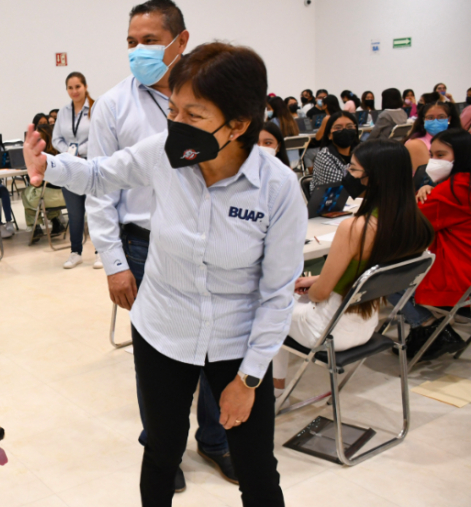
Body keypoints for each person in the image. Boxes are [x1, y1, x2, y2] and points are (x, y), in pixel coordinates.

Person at [26, 41, 303, 507]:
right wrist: (48, 165)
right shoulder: (163, 152)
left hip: (238, 343)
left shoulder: (276, 188)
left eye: (193, 116)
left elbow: (278, 295)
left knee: (257, 468)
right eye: (172, 110)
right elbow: (100, 174)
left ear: (237, 125)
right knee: (161, 452)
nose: (175, 125)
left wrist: (250, 379)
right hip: (163, 330)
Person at [86, 0, 234, 492]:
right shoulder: (112, 105)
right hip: (144, 247)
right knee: (159, 360)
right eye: (131, 42)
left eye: (149, 41)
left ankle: (216, 440)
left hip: (209, 242)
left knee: (214, 345)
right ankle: (163, 449)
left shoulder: (212, 98)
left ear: (180, 41)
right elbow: (99, 190)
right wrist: (113, 263)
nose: (138, 51)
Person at [273, 139, 434, 394]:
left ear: (374, 176)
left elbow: (320, 295)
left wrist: (311, 288)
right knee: (289, 295)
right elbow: (367, 276)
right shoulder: (415, 223)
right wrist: (315, 280)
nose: (350, 174)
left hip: (327, 330)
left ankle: (275, 389)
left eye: (354, 169)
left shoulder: (356, 228)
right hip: (366, 324)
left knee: (266, 306)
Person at [399, 129, 471, 360]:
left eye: (441, 155)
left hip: (459, 279)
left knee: (383, 271)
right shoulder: (460, 185)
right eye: (432, 154)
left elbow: (411, 226)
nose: (433, 161)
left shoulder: (453, 191)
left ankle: (427, 327)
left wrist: (430, 192)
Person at [53, 71, 99, 268]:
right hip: (70, 166)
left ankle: (100, 252)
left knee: (96, 210)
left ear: (85, 86)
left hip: (91, 164)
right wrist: (68, 153)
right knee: (74, 212)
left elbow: (99, 135)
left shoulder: (96, 108)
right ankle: (75, 252)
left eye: (78, 87)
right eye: (70, 88)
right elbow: (56, 139)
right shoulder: (63, 111)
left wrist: (78, 151)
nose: (74, 91)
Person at [22, 124, 66, 242]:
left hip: (47, 198)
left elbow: (35, 182)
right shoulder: (63, 153)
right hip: (66, 197)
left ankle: (35, 226)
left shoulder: (39, 157)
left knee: (27, 194)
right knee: (47, 192)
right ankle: (56, 221)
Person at [404, 101, 463, 176]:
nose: (435, 121)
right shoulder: (415, 144)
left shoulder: (458, 139)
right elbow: (428, 177)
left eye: (441, 117)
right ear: (423, 120)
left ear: (449, 119)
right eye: (430, 118)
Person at [310, 112, 359, 192]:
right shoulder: (324, 156)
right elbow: (340, 188)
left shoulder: (361, 152)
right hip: (329, 202)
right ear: (329, 135)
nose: (344, 131)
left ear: (356, 131)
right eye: (338, 128)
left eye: (350, 126)